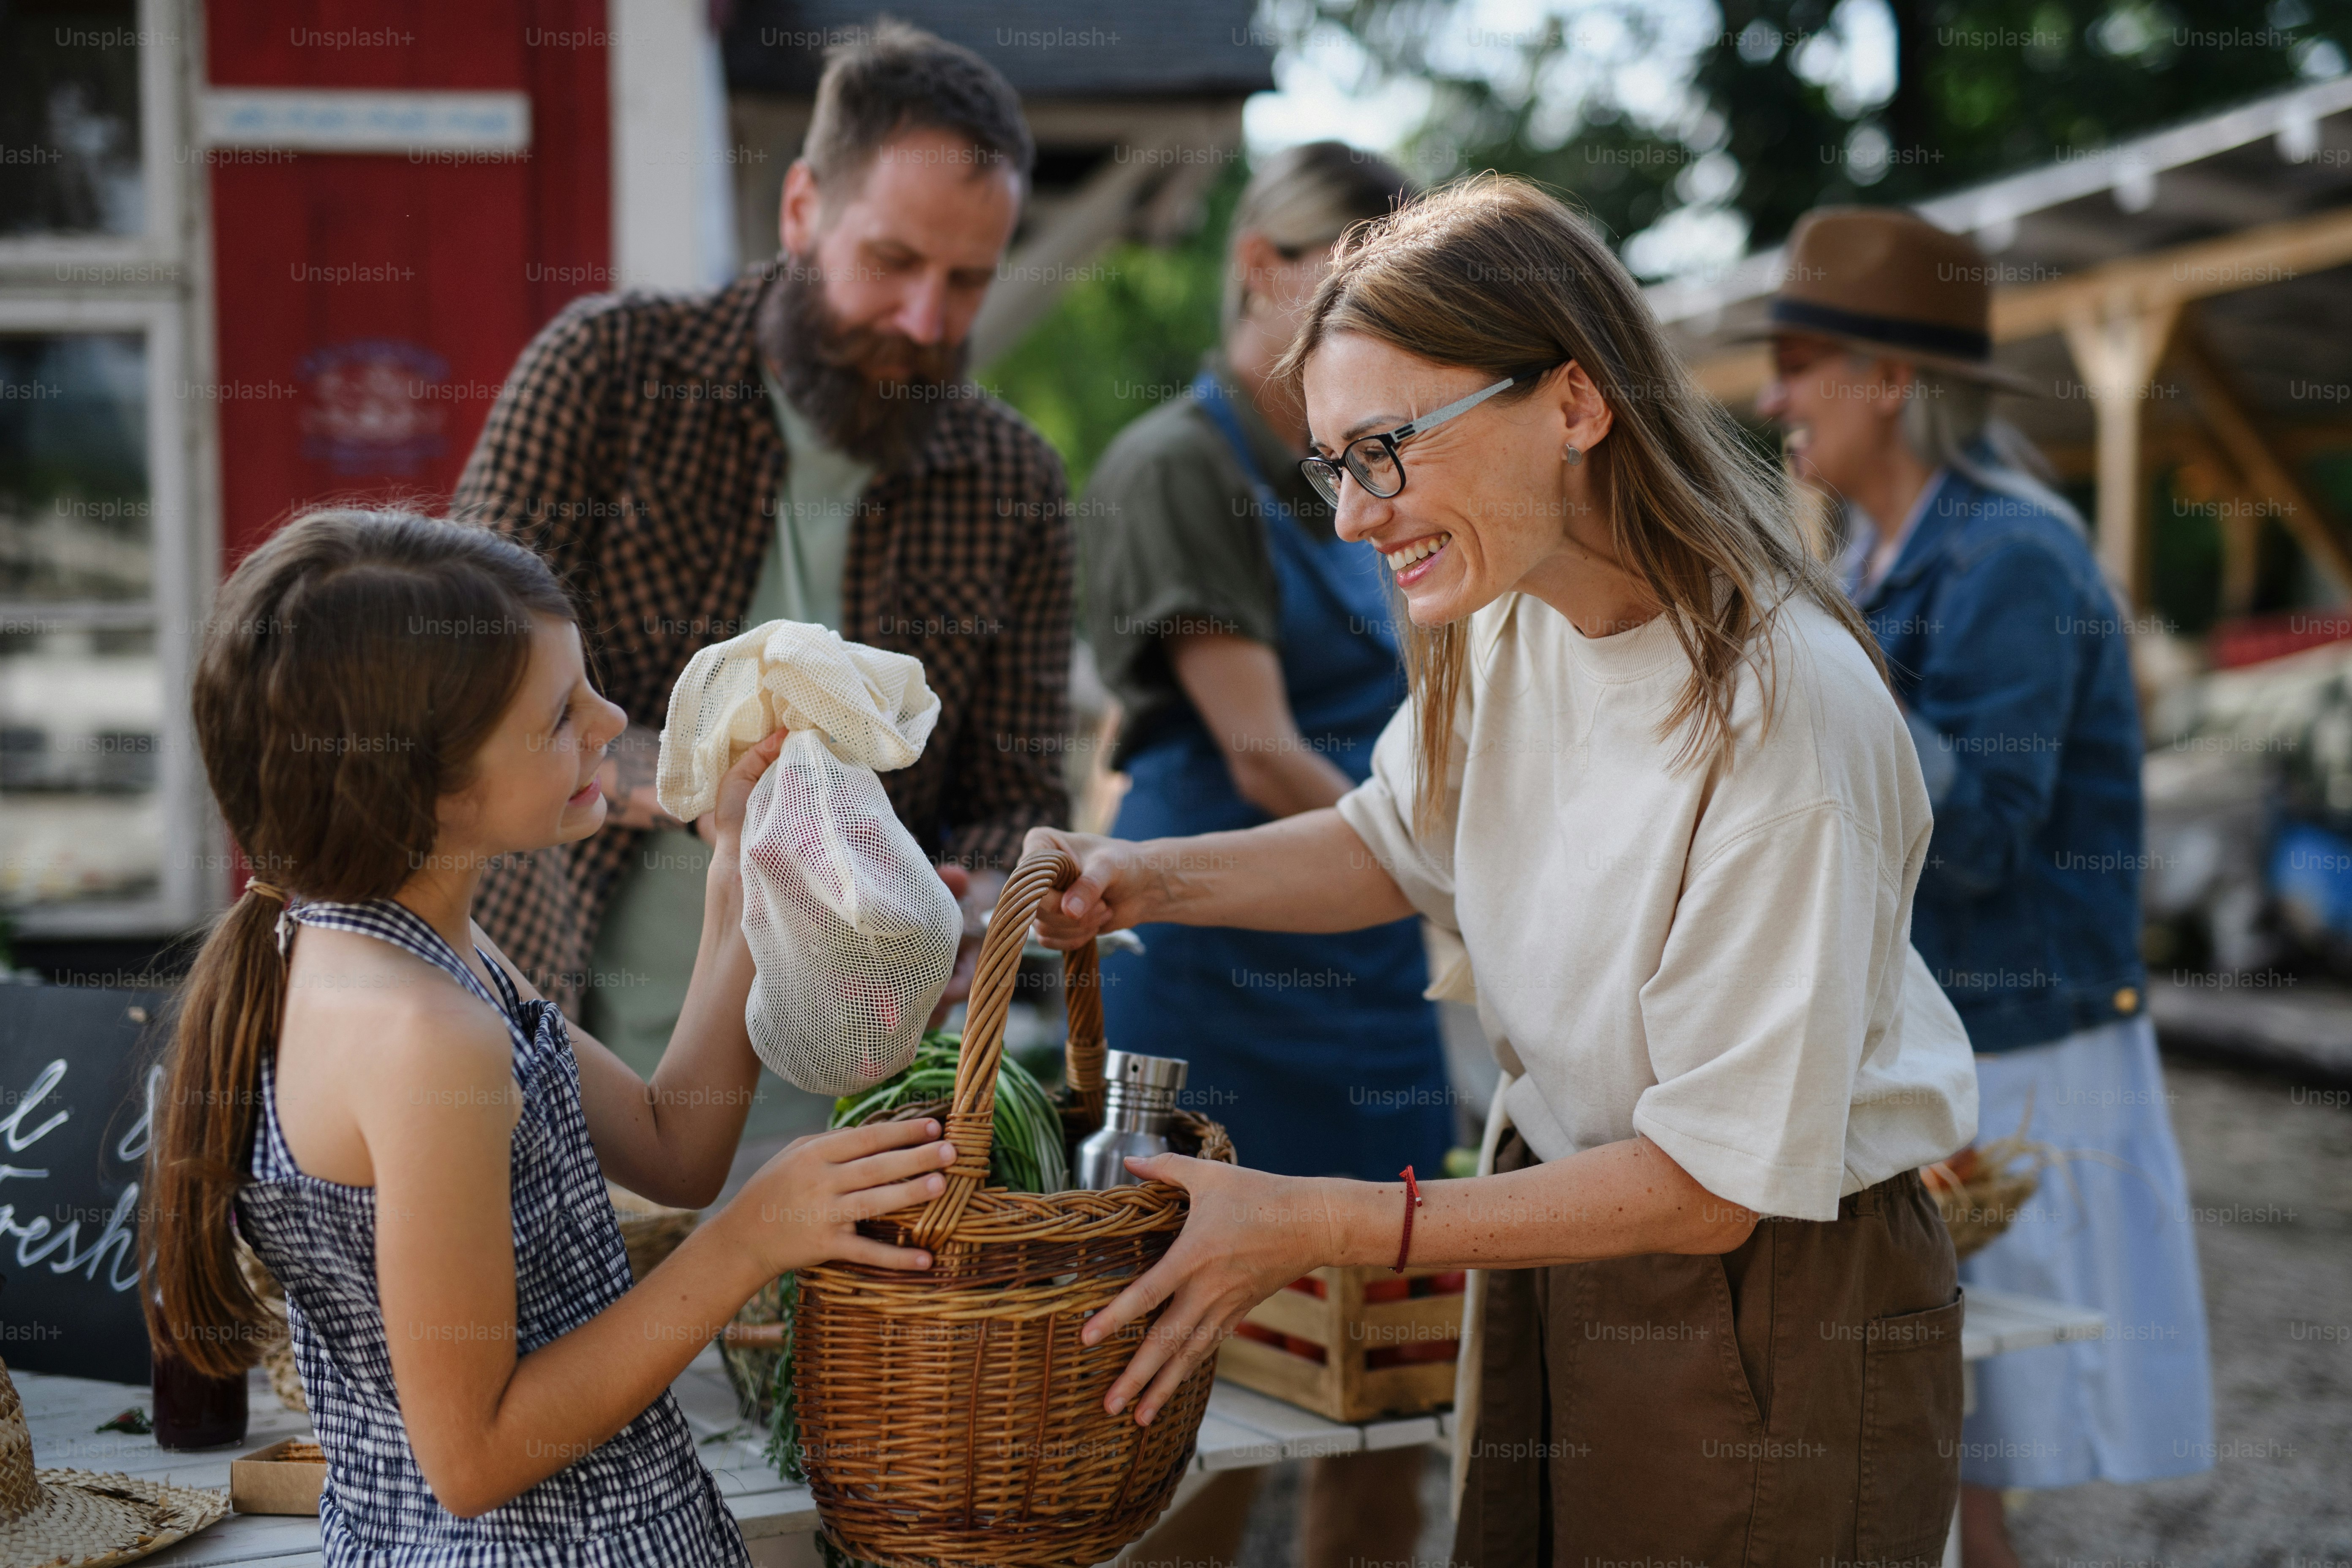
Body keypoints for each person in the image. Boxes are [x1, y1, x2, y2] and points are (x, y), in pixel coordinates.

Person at [1026, 176, 1979, 1567]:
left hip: (1774, 1290)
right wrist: (1138, 877)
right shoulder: (1501, 609)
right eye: (1331, 464)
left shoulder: (1783, 721)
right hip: (1574, 1234)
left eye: (1383, 451)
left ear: (1574, 404)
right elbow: (1389, 840)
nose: (1351, 519)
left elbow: (1713, 1183)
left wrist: (1316, 1223)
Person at [141, 510, 957, 1564]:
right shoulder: (424, 1034)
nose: (612, 718)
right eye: (561, 712)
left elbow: (674, 1146)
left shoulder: (413, 945)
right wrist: (755, 1238)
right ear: (423, 782)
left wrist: (742, 875)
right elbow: (473, 1457)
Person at [452, 21, 1071, 1135]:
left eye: (968, 281)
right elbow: (464, 673)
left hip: (858, 1092)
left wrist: (964, 897)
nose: (927, 322)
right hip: (555, 1043)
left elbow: (1021, 795)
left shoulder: (1016, 476)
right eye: (892, 262)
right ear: (800, 210)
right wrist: (703, 782)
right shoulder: (606, 374)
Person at [1754, 206, 2213, 1568]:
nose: (1775, 395)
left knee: (1957, 1432)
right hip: (1956, 1042)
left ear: (1892, 382)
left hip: (2024, 1054)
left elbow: (1991, 830)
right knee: (1939, 1437)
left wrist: (1820, 679)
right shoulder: (1875, 554)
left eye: (1800, 358)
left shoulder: (2012, 554)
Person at [1081, 142, 1444, 1566]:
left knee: (1390, 1372)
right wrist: (1453, 861)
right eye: (1352, 286)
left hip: (1365, 958)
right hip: (1217, 956)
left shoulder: (1363, 458)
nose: (1383, 326)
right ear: (1257, 269)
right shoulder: (1175, 465)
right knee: (1200, 1401)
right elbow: (1258, 751)